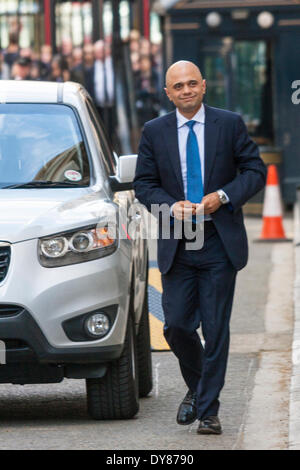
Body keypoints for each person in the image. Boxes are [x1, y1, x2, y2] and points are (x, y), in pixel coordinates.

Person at [133, 61, 266, 435]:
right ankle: (197, 387)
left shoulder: (229, 124)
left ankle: (208, 411)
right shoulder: (154, 131)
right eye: (179, 86)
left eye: (193, 83)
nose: (187, 90)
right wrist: (168, 205)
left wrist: (222, 197)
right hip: (179, 241)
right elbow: (144, 183)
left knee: (215, 327)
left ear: (204, 86)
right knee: (175, 325)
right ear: (168, 93)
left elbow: (255, 170)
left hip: (218, 242)